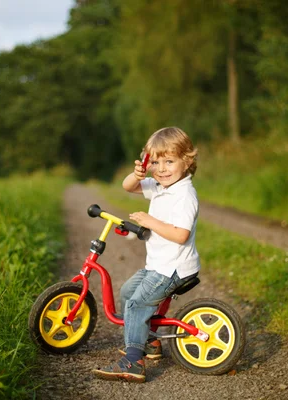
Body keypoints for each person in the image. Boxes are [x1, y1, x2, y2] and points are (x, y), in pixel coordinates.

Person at [92, 126, 201, 383]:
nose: (161, 168)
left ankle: (133, 360)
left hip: (173, 268)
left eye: (169, 161)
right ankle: (150, 342)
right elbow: (128, 186)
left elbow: (181, 235)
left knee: (137, 303)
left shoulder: (184, 194)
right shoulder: (162, 185)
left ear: (186, 162)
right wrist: (136, 173)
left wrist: (150, 221)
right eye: (155, 162)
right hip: (159, 265)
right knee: (129, 292)